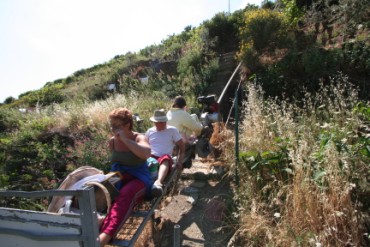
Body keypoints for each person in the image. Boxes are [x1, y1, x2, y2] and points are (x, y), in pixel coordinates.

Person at [99, 107, 152, 246]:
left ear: (127, 125)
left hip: (139, 177)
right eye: (111, 125)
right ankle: (95, 225)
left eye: (116, 126)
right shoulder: (113, 140)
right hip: (120, 175)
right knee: (100, 190)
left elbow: (146, 153)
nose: (112, 129)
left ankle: (105, 236)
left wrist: (125, 140)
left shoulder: (138, 137)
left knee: (124, 194)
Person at [145, 109, 185, 197]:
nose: (162, 124)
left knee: (166, 159)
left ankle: (158, 182)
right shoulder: (150, 131)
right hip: (151, 157)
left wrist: (180, 161)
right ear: (155, 123)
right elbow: (145, 146)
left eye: (163, 122)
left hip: (163, 157)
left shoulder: (172, 130)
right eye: (159, 122)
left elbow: (181, 146)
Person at [166, 96, 203, 168]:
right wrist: (202, 126)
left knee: (194, 116)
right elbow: (196, 127)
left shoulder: (169, 112)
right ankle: (196, 138)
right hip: (181, 140)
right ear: (184, 105)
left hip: (171, 138)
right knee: (196, 121)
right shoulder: (182, 114)